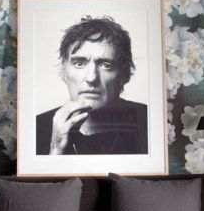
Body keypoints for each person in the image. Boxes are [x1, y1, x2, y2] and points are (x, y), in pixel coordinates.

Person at [36, 16, 148, 155]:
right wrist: (56, 150)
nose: (91, 78)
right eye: (79, 63)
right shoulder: (36, 127)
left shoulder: (149, 121)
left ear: (125, 74)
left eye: (106, 65)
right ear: (64, 71)